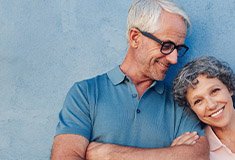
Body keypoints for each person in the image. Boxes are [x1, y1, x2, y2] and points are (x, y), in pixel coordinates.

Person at [51, 0, 209, 159]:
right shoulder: (85, 93)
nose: (174, 59)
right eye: (166, 45)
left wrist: (110, 154)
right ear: (135, 37)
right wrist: (171, 154)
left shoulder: (180, 101)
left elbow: (199, 155)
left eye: (178, 48)